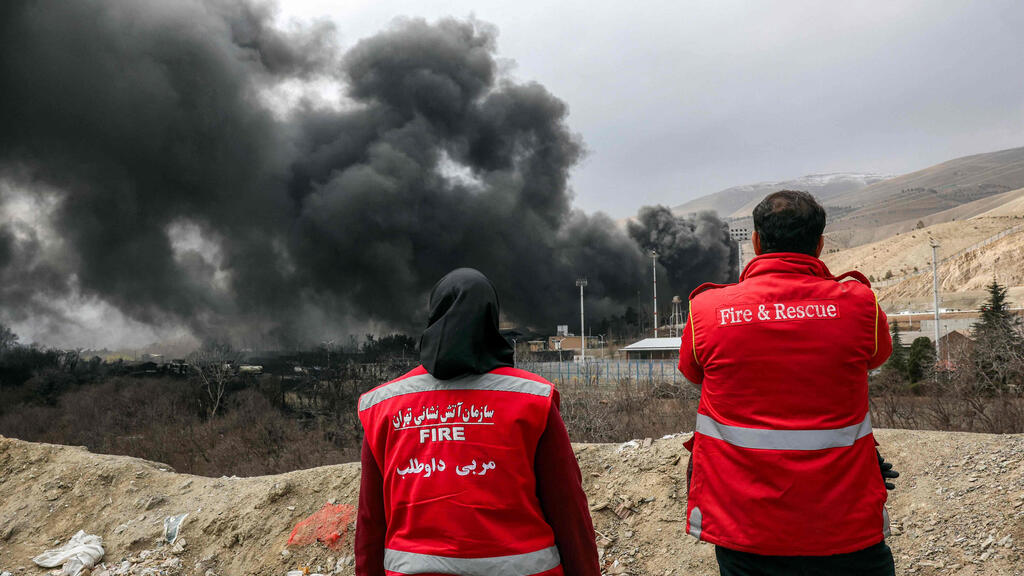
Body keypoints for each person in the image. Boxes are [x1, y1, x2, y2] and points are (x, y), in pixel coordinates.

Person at [678, 190, 899, 576]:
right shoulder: (861, 305)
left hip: (745, 528)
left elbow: (692, 372)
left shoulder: (706, 312)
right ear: (819, 244)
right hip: (845, 524)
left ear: (756, 242)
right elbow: (878, 357)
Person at [355, 268, 601, 576]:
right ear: (490, 319)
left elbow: (370, 523)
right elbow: (568, 511)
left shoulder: (383, 407)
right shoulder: (531, 399)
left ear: (434, 316)